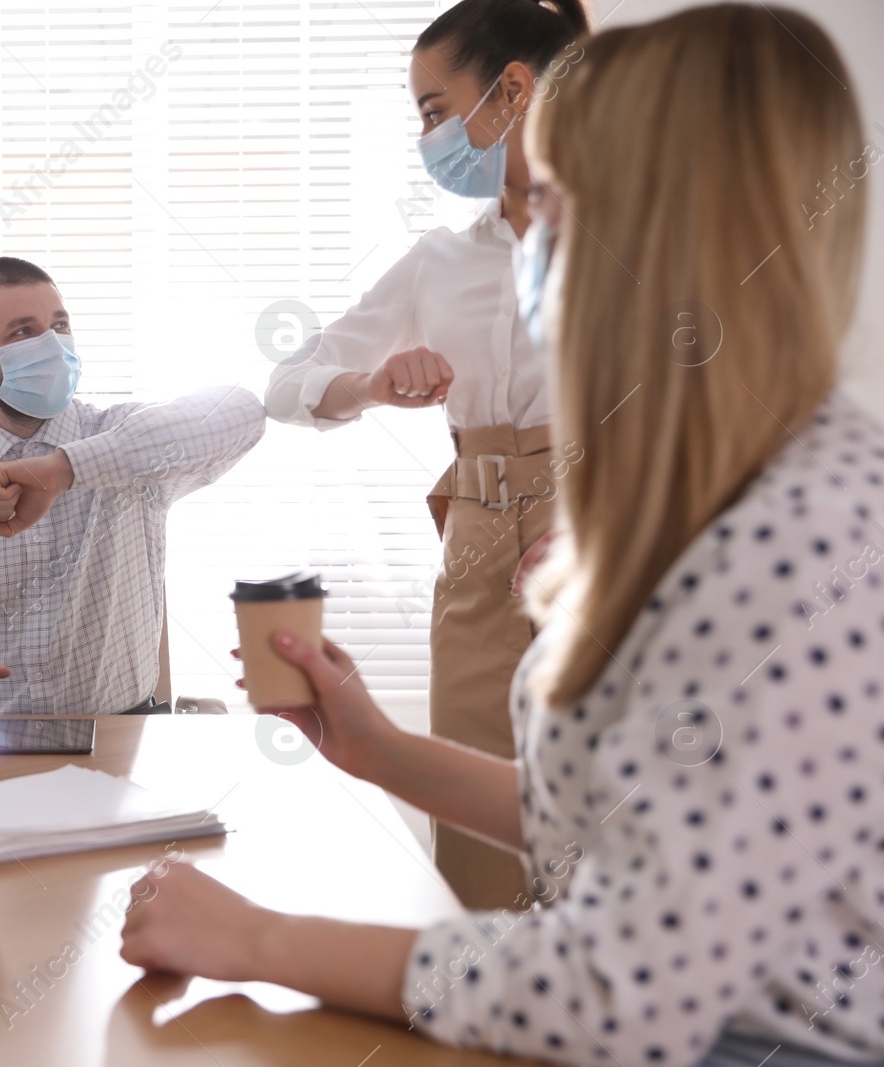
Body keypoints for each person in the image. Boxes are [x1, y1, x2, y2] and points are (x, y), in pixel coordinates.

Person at [123, 6, 884, 1064]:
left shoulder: (792, 539)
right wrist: (381, 749)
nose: (527, 247)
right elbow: (641, 820)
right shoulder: (729, 494)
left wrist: (259, 938)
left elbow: (625, 989)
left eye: (551, 207)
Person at [262, 0, 589, 911]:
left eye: (436, 109)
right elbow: (289, 381)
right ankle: (477, 1045)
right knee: (478, 828)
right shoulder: (438, 261)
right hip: (479, 546)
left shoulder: (645, 239)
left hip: (607, 542)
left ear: (515, 90)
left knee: (611, 811)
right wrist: (374, 384)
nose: (429, 136)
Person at [0, 256, 264, 724]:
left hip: (119, 743)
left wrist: (65, 468)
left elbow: (240, 412)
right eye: (24, 332)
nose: (53, 345)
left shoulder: (125, 440)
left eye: (60, 326)